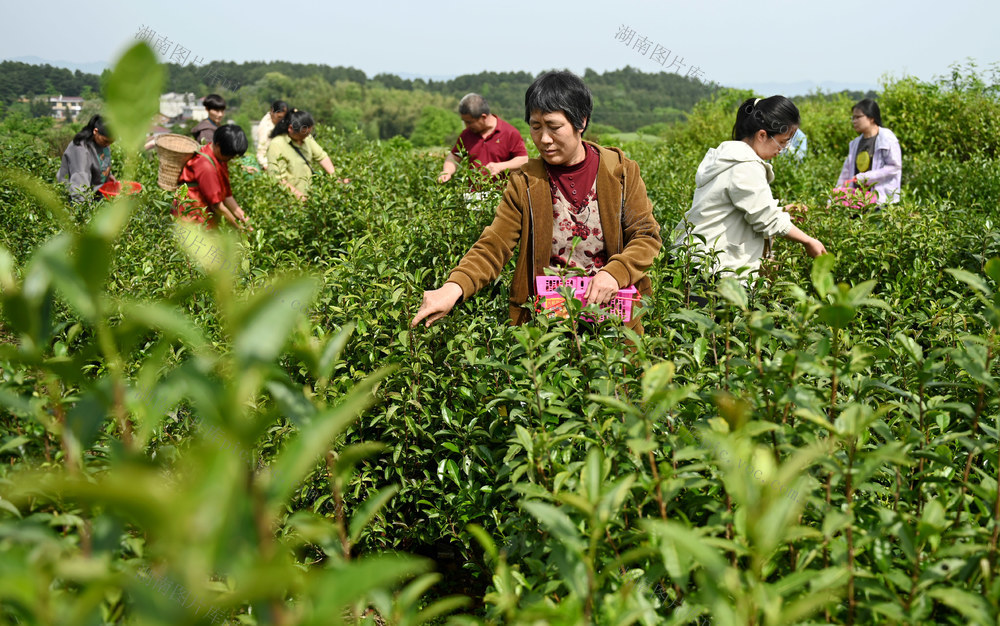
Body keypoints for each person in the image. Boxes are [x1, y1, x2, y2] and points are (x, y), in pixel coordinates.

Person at [412, 71, 662, 331]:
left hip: (615, 317)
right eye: (535, 126)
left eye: (554, 127)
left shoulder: (620, 172)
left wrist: (615, 273)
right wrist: (454, 287)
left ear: (581, 122)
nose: (544, 139)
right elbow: (494, 244)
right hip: (549, 326)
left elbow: (646, 236)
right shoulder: (525, 182)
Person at [674, 96, 827, 281]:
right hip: (709, 273)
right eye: (783, 142)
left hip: (693, 264)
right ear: (762, 135)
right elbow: (767, 219)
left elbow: (745, 208)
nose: (782, 149)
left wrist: (784, 212)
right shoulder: (745, 165)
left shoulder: (731, 157)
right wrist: (808, 240)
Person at [437, 93, 529, 194]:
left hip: (500, 194)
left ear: (483, 117)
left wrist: (500, 166)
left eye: (469, 122)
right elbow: (454, 156)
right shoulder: (467, 135)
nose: (467, 126)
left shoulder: (509, 132)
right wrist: (447, 171)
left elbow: (523, 160)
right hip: (473, 195)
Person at [172, 124, 251, 230]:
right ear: (218, 145)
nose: (231, 158)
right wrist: (239, 227)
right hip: (192, 220)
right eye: (229, 155)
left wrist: (245, 218)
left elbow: (227, 196)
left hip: (204, 220)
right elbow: (217, 206)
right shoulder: (205, 165)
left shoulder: (220, 159)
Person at [266, 109, 345, 199]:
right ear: (291, 128)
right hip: (289, 201)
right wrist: (300, 197)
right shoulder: (277, 145)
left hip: (308, 195)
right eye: (303, 135)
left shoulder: (307, 138)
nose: (306, 136)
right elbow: (277, 179)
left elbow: (322, 157)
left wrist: (336, 178)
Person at [836, 99, 902, 204]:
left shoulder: (886, 139)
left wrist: (866, 177)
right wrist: (834, 198)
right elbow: (846, 172)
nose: (854, 121)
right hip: (857, 202)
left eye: (858, 117)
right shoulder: (855, 143)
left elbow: (894, 167)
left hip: (882, 202)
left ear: (871, 118)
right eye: (853, 117)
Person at [57, 114, 114, 203]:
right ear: (96, 131)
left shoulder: (102, 143)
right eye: (106, 141)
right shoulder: (80, 149)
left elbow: (103, 162)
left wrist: (108, 175)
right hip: (77, 200)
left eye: (111, 142)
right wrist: (86, 212)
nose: (108, 145)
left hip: (95, 196)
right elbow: (79, 185)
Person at [255, 100, 288, 170]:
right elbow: (261, 151)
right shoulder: (265, 128)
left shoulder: (280, 121)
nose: (282, 120)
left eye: (283, 117)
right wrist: (266, 166)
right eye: (279, 117)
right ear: (272, 112)